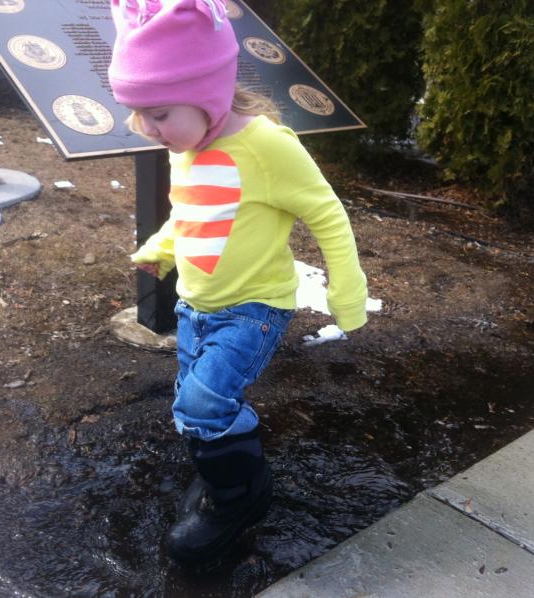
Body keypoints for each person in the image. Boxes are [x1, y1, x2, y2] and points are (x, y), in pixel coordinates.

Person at [108, 0, 368, 564]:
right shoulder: (190, 142)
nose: (145, 129)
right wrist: (162, 247)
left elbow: (327, 212)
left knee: (203, 406)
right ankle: (222, 474)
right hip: (194, 306)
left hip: (253, 308)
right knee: (195, 406)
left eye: (157, 113)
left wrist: (346, 291)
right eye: (137, 114)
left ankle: (240, 495)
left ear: (206, 94)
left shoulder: (267, 146)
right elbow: (195, 211)